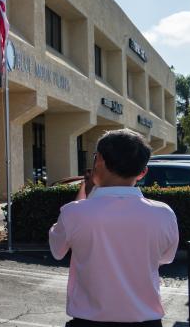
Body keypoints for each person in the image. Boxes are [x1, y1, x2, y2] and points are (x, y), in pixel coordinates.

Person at [49, 129, 179, 327]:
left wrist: (85, 192)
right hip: (147, 321)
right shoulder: (164, 214)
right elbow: (165, 258)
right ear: (143, 172)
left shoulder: (74, 213)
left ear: (99, 160)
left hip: (89, 322)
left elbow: (57, 250)